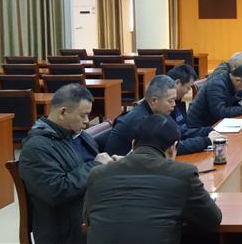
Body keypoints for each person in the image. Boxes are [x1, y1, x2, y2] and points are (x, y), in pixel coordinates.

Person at [84, 114, 222, 243]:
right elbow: (212, 220)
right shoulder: (182, 174)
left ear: (133, 144)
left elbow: (87, 219)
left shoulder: (97, 174)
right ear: (173, 148)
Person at [19, 84, 115, 244]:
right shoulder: (36, 148)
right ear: (63, 112)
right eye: (83, 115)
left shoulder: (79, 136)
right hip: (67, 231)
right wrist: (96, 165)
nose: (87, 121)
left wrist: (114, 165)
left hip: (93, 213)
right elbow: (57, 191)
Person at [106, 74, 221, 156]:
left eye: (174, 100)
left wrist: (208, 131)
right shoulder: (141, 120)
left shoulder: (156, 112)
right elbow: (168, 148)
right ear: (154, 100)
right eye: (170, 101)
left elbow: (178, 133)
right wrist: (207, 141)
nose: (174, 105)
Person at [167, 64, 219, 154]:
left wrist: (207, 131)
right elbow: (171, 147)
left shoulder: (177, 101)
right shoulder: (165, 107)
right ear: (177, 82)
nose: (188, 91)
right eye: (188, 87)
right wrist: (206, 141)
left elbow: (183, 132)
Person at [186, 64, 242, 128]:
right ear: (238, 80)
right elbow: (219, 112)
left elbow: (228, 100)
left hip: (211, 122)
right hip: (199, 126)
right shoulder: (217, 85)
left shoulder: (228, 81)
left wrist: (241, 101)